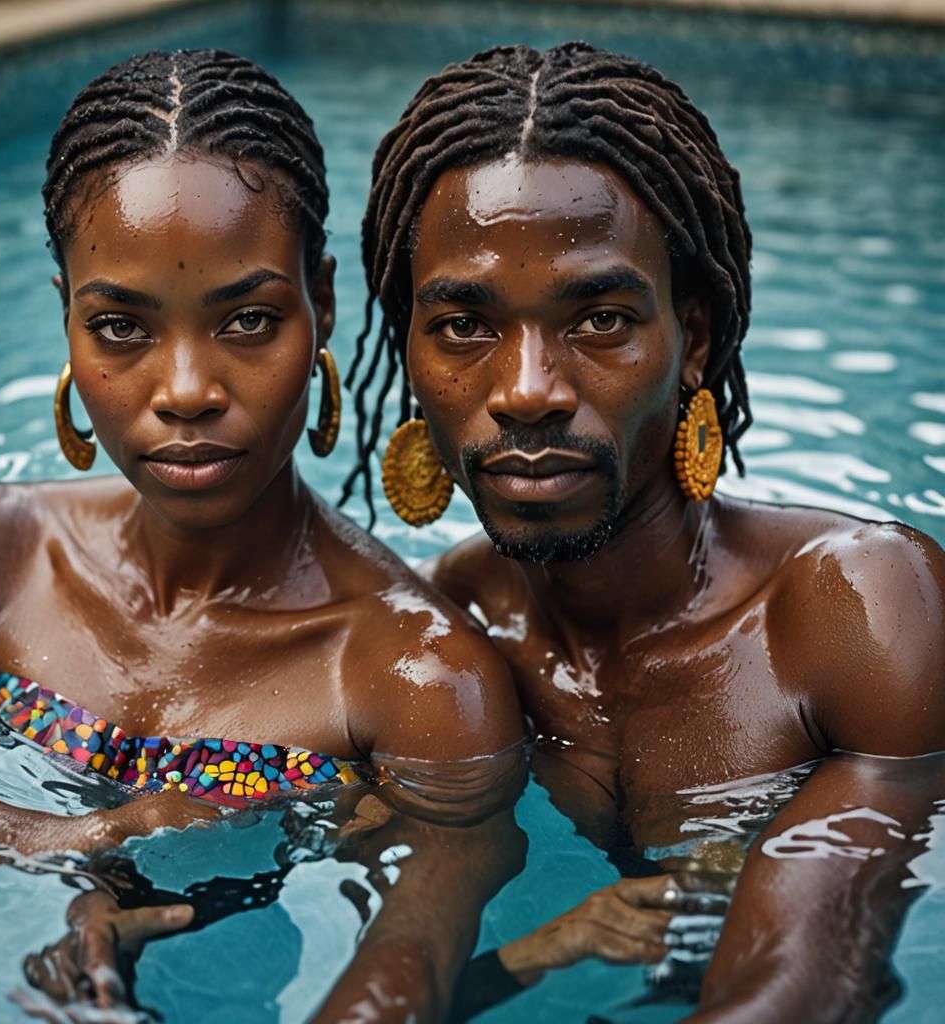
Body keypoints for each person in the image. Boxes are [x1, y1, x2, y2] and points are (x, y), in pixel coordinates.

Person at [341, 41, 945, 1022]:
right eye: (462, 324)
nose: (526, 389)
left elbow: (811, 974)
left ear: (692, 336)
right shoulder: (434, 640)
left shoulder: (857, 610)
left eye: (600, 317)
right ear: (407, 346)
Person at [0, 48, 528, 1022]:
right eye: (120, 326)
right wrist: (60, 843)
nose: (187, 390)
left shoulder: (417, 682)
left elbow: (402, 976)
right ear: (65, 322)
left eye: (247, 319)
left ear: (321, 304)